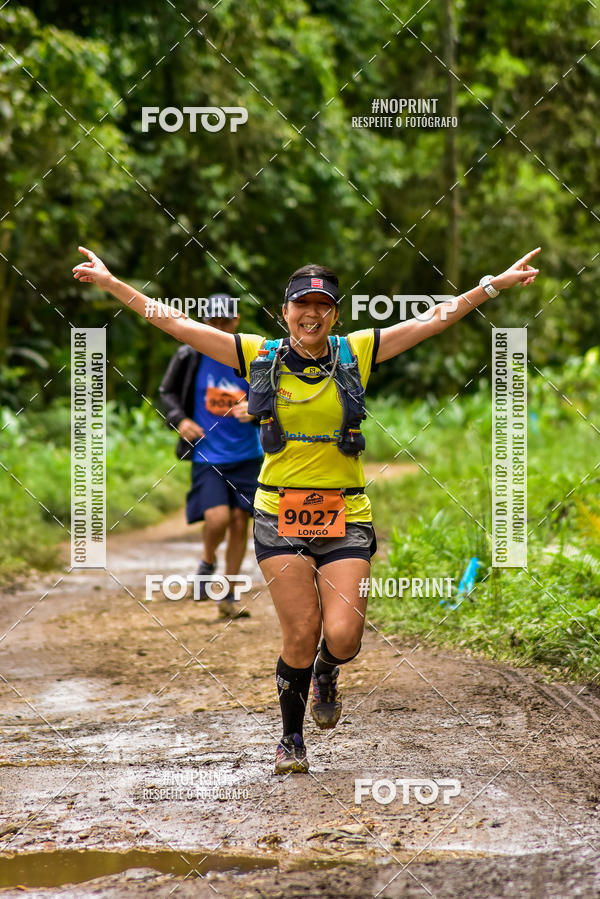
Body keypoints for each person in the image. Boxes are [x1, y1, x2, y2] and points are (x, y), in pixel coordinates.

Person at [72, 244, 541, 774]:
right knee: (299, 633)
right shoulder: (258, 354)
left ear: (335, 314)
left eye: (322, 305)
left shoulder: (356, 351)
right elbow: (177, 324)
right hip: (278, 513)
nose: (311, 314)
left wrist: (492, 285)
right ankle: (291, 740)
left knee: (343, 637)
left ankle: (327, 671)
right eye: (301, 304)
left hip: (346, 512)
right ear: (285, 311)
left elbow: (433, 319)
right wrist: (113, 285)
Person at [158, 294, 263, 619]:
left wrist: (256, 410)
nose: (219, 328)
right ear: (204, 322)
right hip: (208, 454)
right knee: (217, 518)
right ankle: (207, 560)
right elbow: (167, 392)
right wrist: (180, 420)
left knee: (238, 521)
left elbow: (277, 396)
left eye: (225, 322)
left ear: (236, 321)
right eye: (213, 322)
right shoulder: (189, 354)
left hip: (248, 455)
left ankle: (229, 594)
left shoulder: (253, 356)